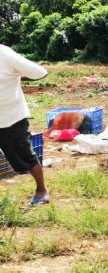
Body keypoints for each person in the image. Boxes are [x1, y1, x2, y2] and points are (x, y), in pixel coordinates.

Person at [0, 44, 50, 205]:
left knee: (24, 155)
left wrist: (17, 76)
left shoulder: (5, 54)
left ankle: (41, 190)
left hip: (10, 117)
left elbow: (40, 72)